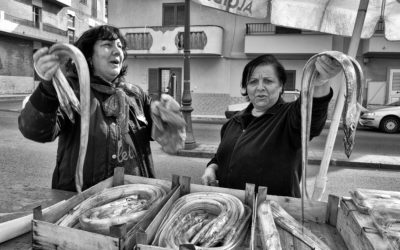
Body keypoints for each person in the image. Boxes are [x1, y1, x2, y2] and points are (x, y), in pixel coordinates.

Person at [19, 25, 183, 192]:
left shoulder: (136, 95)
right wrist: (47, 89)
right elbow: (35, 130)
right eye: (107, 45)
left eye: (120, 46)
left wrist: (167, 119)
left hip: (136, 199)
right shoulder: (71, 91)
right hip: (84, 202)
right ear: (89, 56)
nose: (117, 51)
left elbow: (168, 141)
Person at [201, 54, 341, 197]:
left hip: (272, 213)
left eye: (268, 81)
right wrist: (211, 168)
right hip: (232, 209)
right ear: (246, 88)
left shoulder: (289, 117)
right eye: (253, 82)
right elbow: (220, 157)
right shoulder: (233, 122)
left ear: (281, 86)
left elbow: (311, 113)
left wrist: (319, 82)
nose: (260, 87)